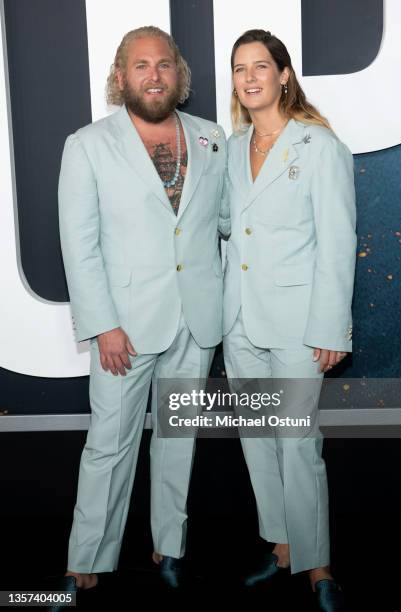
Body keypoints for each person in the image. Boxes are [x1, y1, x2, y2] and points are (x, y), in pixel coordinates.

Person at [54, 25, 226, 599]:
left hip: (197, 320)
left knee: (178, 440)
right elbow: (78, 245)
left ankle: (169, 547)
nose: (154, 74)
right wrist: (102, 323)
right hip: (122, 327)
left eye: (164, 64)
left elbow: (224, 227)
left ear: (178, 74)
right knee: (110, 443)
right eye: (141, 65)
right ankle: (85, 563)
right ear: (121, 76)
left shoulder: (211, 138)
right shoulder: (87, 145)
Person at [222, 29, 356, 611]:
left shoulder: (319, 147)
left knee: (297, 441)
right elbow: (228, 228)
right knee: (257, 440)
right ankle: (281, 548)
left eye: (260, 67)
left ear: (283, 75)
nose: (249, 78)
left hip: (300, 323)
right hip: (239, 321)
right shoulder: (230, 149)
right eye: (238, 69)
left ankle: (318, 565)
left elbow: (336, 241)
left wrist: (331, 328)